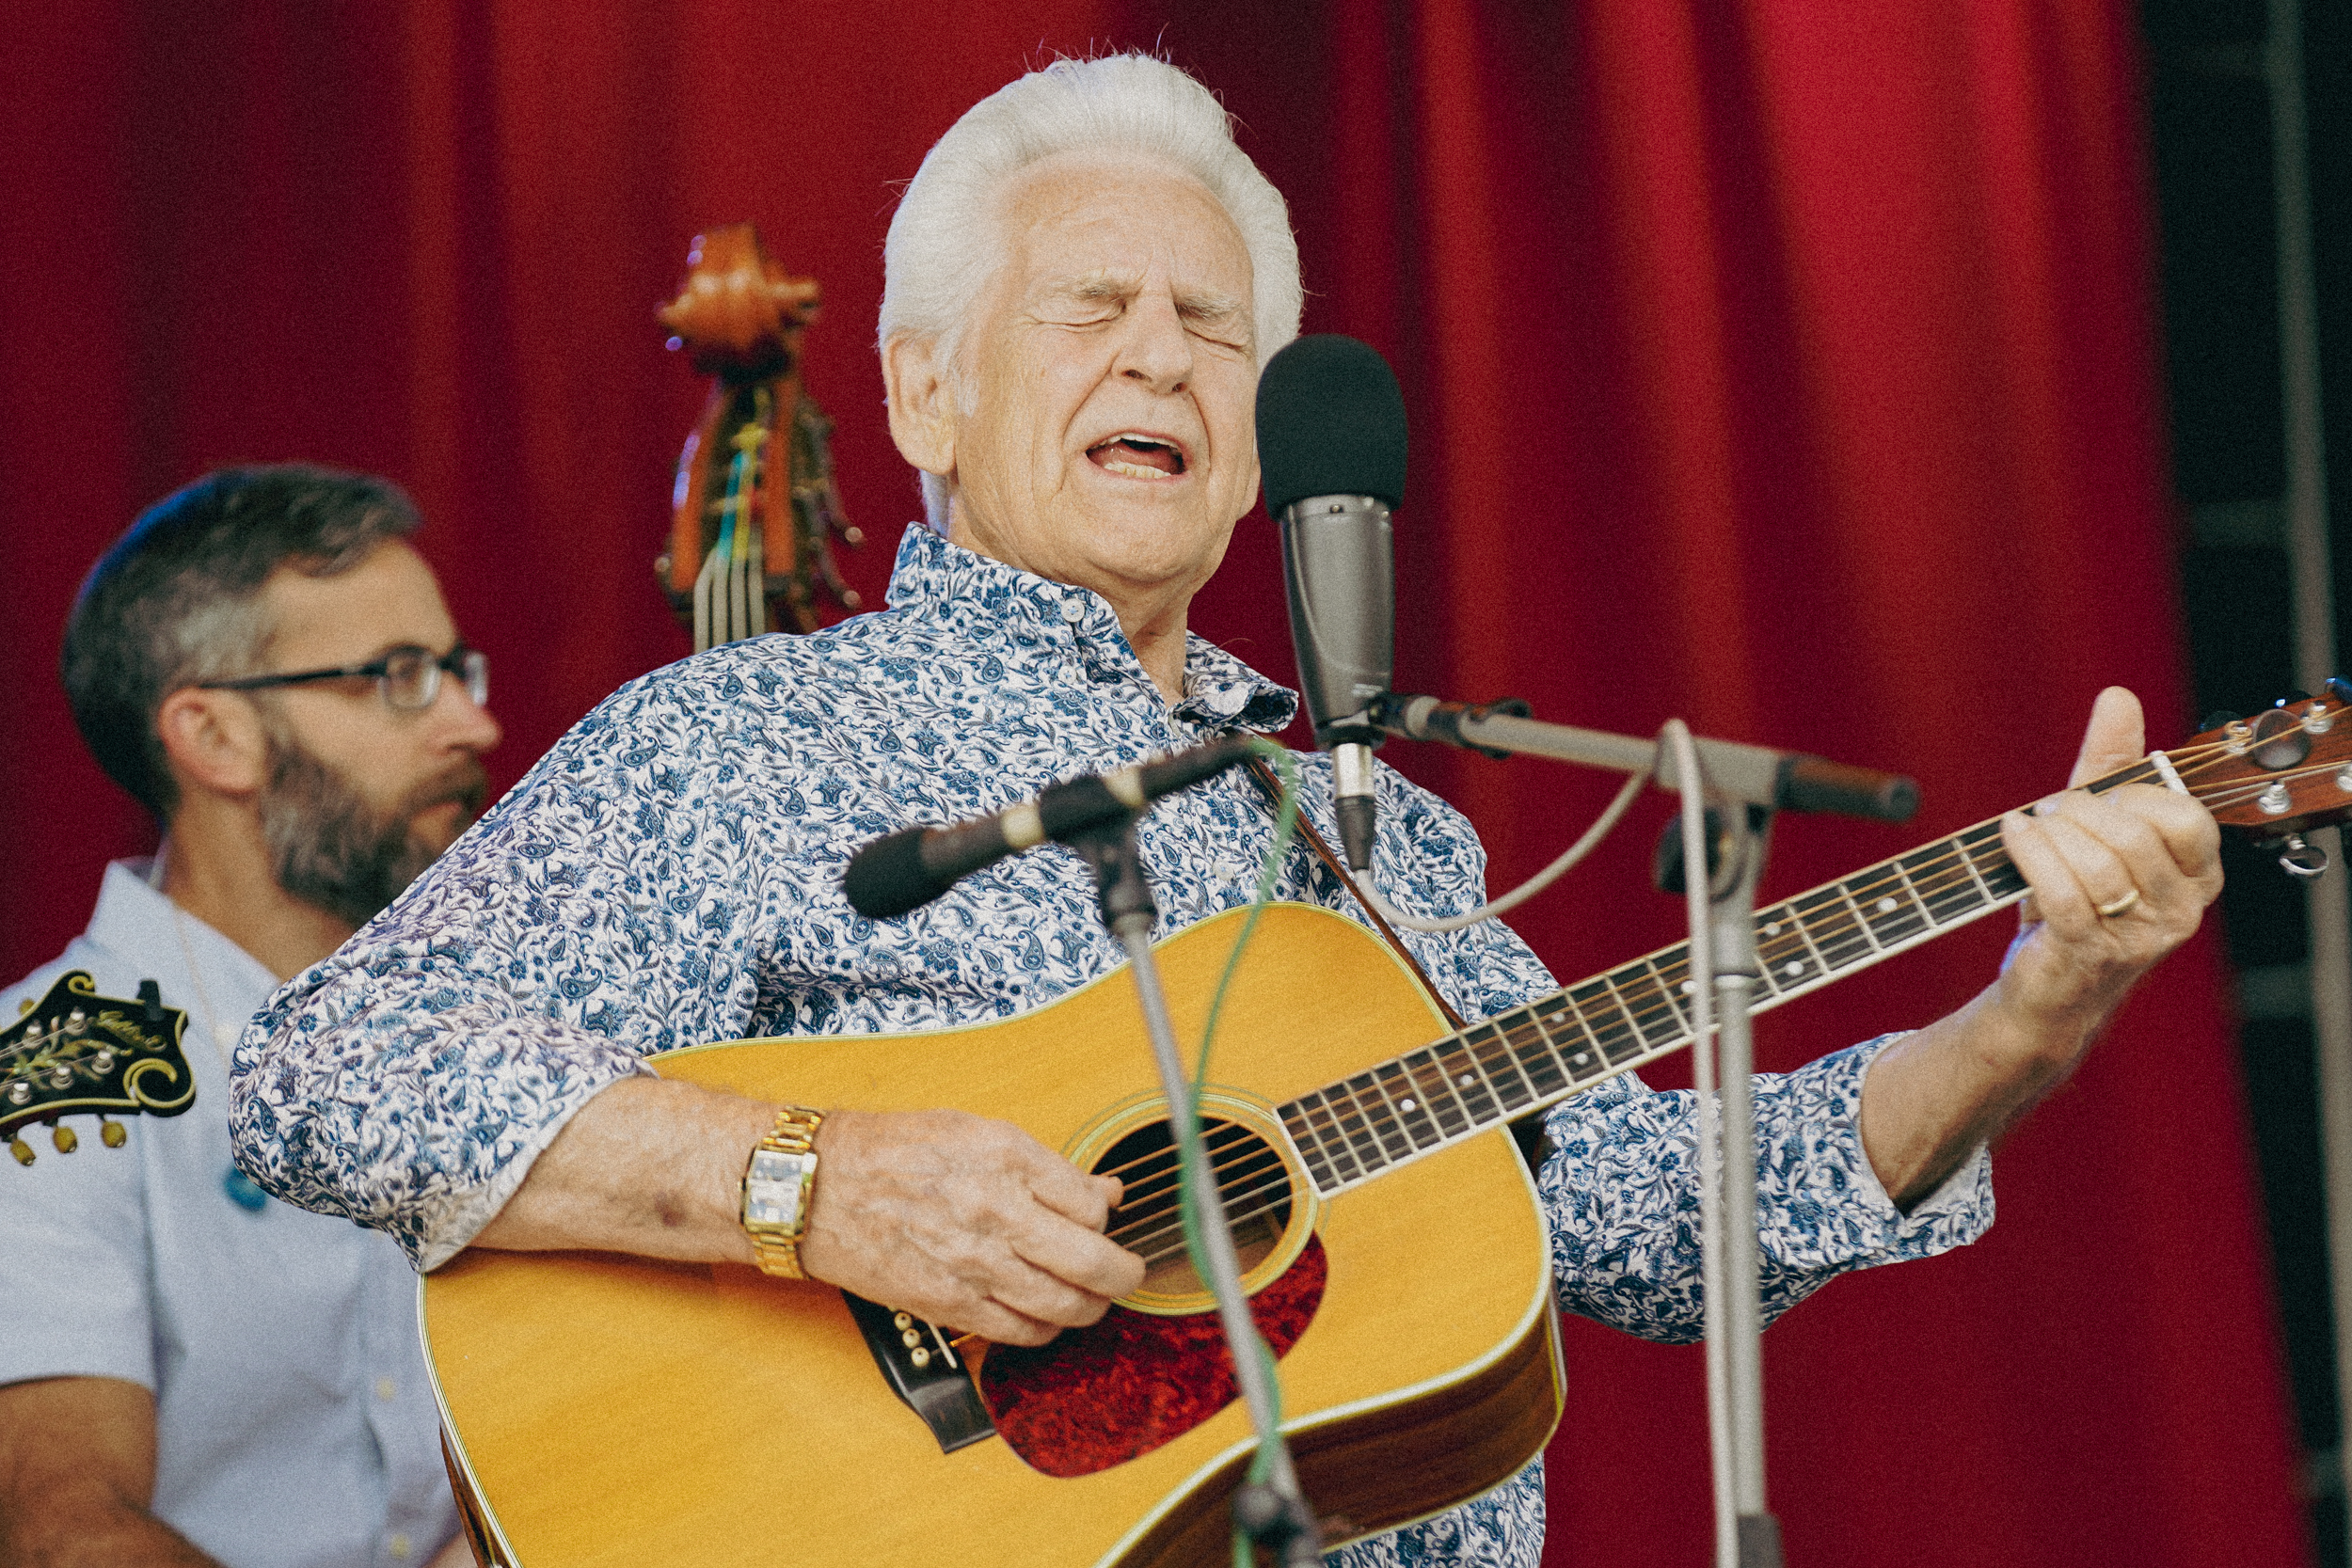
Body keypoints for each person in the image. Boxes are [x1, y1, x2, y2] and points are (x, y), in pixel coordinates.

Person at [228, 57, 2220, 1568]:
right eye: (1087, 306)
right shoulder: (742, 741)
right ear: (922, 396)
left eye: (1207, 327)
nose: (1156, 358)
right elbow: (325, 1064)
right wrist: (803, 1180)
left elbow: (1641, 1223)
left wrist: (2027, 1009)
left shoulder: (1379, 830)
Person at [0, 467, 500, 1568]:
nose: (475, 720)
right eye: (399, 676)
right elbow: (63, 1536)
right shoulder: (40, 1074)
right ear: (214, 736)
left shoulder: (481, 1032)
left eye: (455, 668)